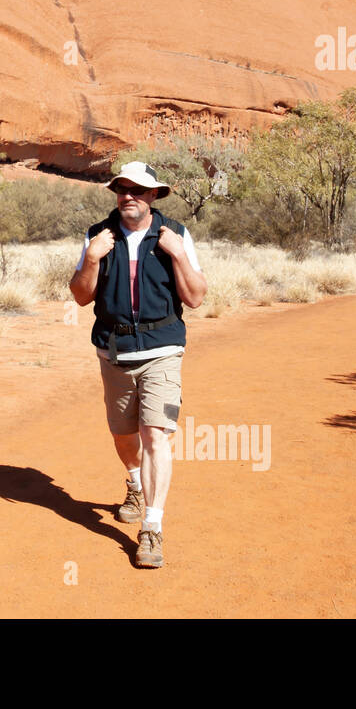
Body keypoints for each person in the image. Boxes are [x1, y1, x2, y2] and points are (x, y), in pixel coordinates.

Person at [68, 161, 207, 568]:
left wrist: (179, 256)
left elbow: (196, 297)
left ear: (153, 195)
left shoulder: (176, 235)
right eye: (122, 188)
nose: (128, 195)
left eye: (138, 190)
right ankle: (133, 482)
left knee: (155, 435)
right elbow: (80, 297)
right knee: (123, 435)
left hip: (163, 350)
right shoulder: (98, 236)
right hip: (113, 352)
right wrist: (91, 260)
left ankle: (152, 526)